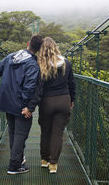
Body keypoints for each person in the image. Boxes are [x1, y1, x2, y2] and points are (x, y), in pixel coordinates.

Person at [0, 34, 43, 175]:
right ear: (39, 49)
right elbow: (30, 86)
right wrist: (26, 106)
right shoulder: (32, 64)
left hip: (7, 102)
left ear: (27, 43)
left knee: (13, 133)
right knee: (20, 135)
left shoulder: (12, 56)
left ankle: (17, 160)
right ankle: (14, 166)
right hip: (20, 104)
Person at [35, 37, 75, 174]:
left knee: (46, 132)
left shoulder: (40, 64)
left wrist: (34, 103)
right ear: (56, 47)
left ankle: (44, 160)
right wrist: (72, 100)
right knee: (57, 134)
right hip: (64, 100)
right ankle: (53, 164)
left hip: (46, 102)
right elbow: (72, 84)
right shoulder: (66, 63)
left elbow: (38, 86)